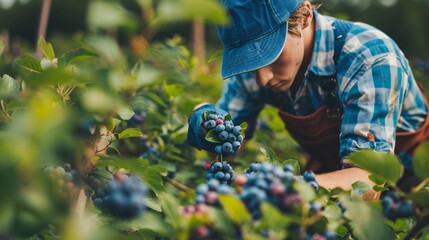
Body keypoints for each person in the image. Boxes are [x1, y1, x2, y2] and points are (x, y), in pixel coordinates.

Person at [187, 0, 429, 197]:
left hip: (414, 189)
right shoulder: (257, 72)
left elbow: (368, 183)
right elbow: (229, 146)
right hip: (334, 178)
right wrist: (207, 126)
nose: (262, 79)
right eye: (249, 61)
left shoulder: (368, 58)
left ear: (304, 16)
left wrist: (291, 190)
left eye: (268, 54)